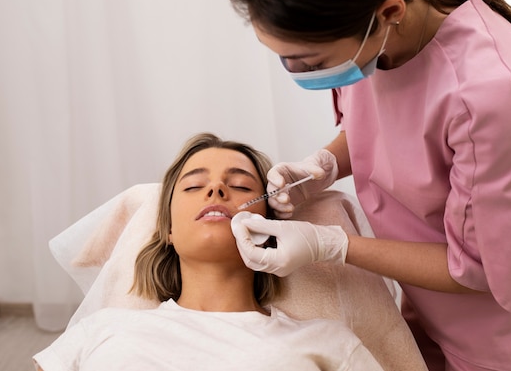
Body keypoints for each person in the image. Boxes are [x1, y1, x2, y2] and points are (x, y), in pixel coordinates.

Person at [228, 0, 511, 370]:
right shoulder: (375, 43)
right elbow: (378, 129)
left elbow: (479, 267)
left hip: (496, 322)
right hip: (420, 289)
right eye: (284, 59)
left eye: (313, 63)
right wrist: (324, 166)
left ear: (389, 12)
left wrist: (333, 246)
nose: (298, 74)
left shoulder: (496, 92)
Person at [33, 133, 383, 371]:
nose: (215, 188)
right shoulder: (102, 328)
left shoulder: (329, 341)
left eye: (241, 185)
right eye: (194, 186)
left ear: (270, 225)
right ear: (167, 231)